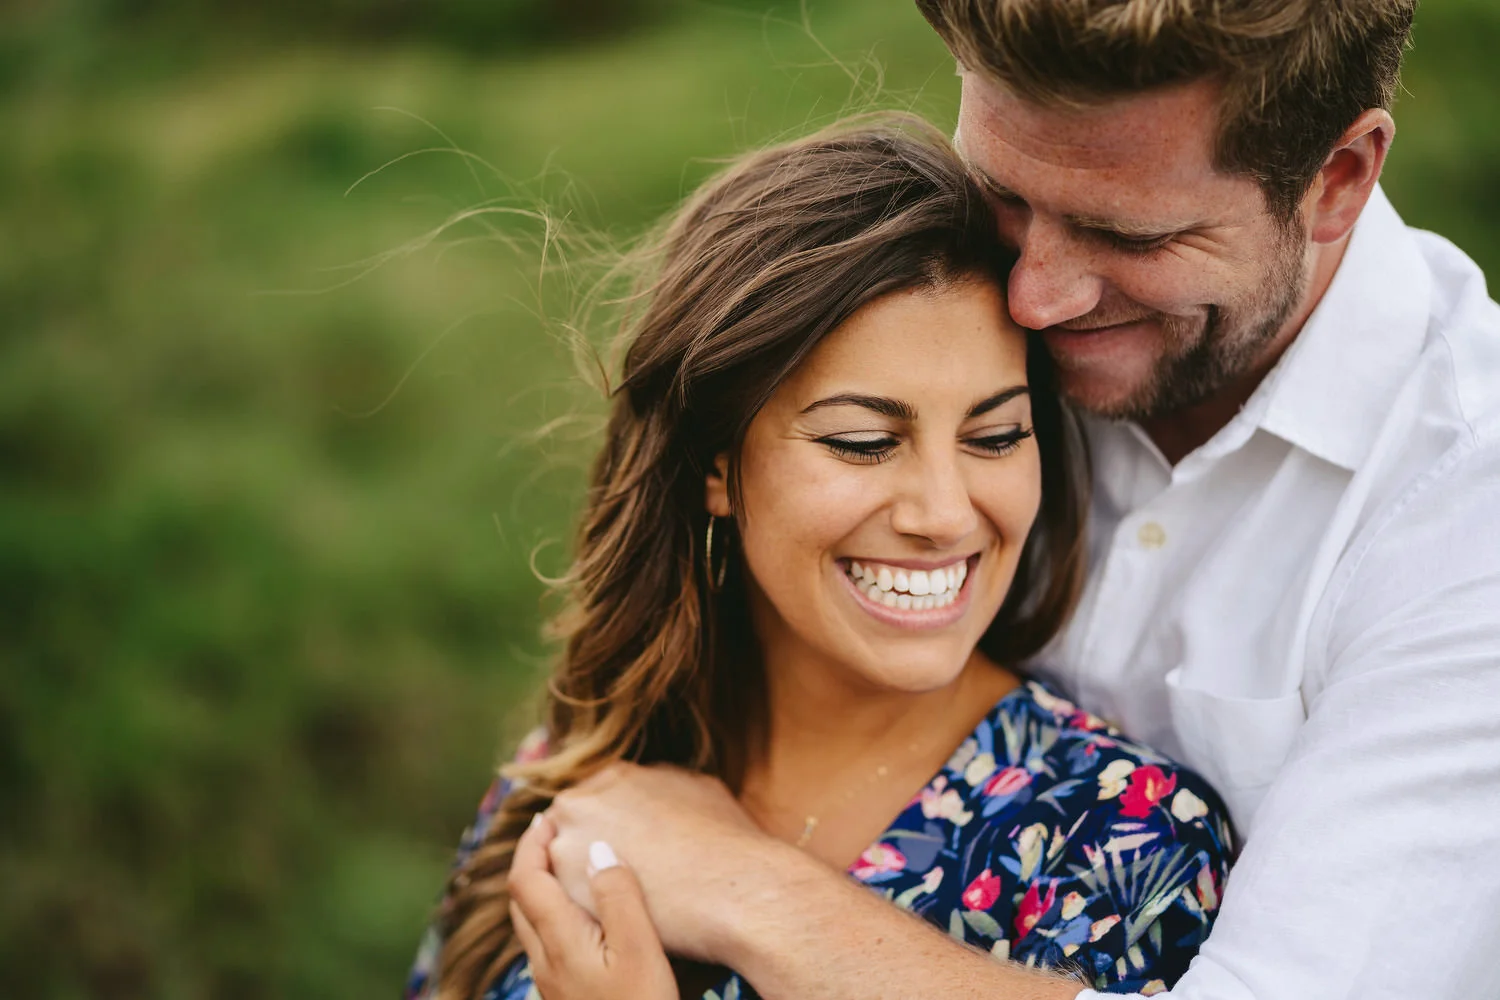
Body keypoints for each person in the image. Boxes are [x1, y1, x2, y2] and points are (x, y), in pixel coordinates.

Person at [527, 2, 1500, 999]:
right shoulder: (610, 762)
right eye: (1004, 194)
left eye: (1125, 233)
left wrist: (748, 890)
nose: (1035, 299)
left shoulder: (1467, 522)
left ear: (1336, 180)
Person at [405, 115, 1236, 1000]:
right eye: (864, 442)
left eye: (994, 436)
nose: (944, 514)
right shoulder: (579, 773)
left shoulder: (1122, 841)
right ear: (717, 465)